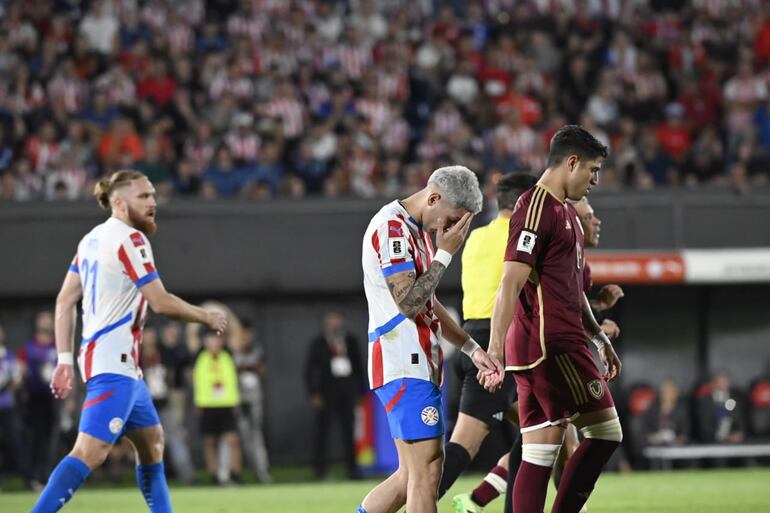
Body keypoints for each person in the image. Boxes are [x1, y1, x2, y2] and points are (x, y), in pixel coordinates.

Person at [29, 170, 227, 513]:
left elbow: (64, 301)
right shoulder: (131, 241)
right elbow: (161, 301)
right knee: (89, 453)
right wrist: (206, 316)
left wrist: (64, 360)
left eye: (152, 195)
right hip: (112, 366)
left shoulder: (90, 239)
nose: (152, 203)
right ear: (120, 204)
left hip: (124, 370)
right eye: (143, 197)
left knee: (152, 445)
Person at [455, 195, 625, 513]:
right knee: (598, 433)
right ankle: (474, 500)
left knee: (538, 449)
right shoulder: (546, 223)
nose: (595, 220)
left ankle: (475, 500)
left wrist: (599, 321)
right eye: (589, 215)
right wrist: (494, 350)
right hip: (544, 349)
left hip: (520, 349)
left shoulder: (574, 253)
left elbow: (570, 300)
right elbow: (519, 289)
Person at [486, 125, 622, 513]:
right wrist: (494, 349)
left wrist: (599, 336)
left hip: (545, 345)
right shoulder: (535, 207)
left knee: (539, 450)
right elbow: (509, 282)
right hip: (552, 345)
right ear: (572, 162)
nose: (595, 180)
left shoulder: (566, 213)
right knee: (606, 432)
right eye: (593, 170)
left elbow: (574, 288)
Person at [357, 165, 504, 513]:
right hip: (402, 359)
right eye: (452, 219)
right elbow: (409, 302)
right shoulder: (392, 227)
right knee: (427, 472)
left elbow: (429, 303)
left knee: (411, 476)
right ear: (434, 198)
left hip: (417, 361)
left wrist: (471, 347)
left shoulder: (417, 231)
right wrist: (445, 254)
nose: (451, 230)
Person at [437, 173, 537, 510]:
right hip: (500, 343)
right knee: (464, 445)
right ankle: (407, 499)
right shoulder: (524, 237)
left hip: (471, 336)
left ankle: (486, 502)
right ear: (528, 203)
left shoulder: (477, 237)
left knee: (544, 431)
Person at [304, 312, 365, 480]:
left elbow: (359, 367)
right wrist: (314, 393)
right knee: (322, 431)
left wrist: (360, 392)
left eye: (336, 320)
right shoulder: (318, 343)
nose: (334, 324)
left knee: (349, 431)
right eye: (330, 321)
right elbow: (310, 370)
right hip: (326, 392)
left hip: (347, 391)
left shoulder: (350, 341)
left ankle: (352, 469)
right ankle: (319, 469)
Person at [193, 329, 242, 485]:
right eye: (210, 340)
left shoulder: (227, 357)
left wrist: (235, 402)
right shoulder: (201, 358)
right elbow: (198, 383)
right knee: (210, 441)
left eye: (216, 339)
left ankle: (235, 473)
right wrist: (199, 403)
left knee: (233, 440)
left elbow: (232, 381)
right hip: (208, 405)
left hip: (226, 404)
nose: (214, 343)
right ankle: (214, 474)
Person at [17, 311, 59, 489]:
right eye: (42, 319)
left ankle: (45, 475)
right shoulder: (29, 347)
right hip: (33, 398)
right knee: (33, 437)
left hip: (52, 398)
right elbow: (20, 370)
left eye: (48, 319)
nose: (46, 322)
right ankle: (30, 477)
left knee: (50, 438)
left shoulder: (56, 346)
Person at [233, 320, 271, 483]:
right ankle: (236, 473)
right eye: (243, 333)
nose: (246, 337)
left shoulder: (257, 350)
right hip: (237, 398)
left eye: (248, 334)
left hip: (254, 398)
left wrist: (246, 367)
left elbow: (262, 371)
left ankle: (261, 472)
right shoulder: (232, 351)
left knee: (256, 435)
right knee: (240, 436)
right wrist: (250, 366)